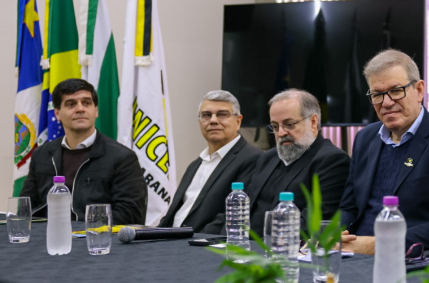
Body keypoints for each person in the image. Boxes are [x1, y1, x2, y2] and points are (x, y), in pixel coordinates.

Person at [340, 49, 429, 253]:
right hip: (353, 254)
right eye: (377, 94)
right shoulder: (364, 138)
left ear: (419, 90)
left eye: (396, 91)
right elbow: (349, 208)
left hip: (411, 259)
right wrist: (330, 236)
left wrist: (378, 245)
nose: (386, 103)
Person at [209, 89, 350, 236]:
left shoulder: (332, 161)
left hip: (280, 250)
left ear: (313, 122)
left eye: (289, 124)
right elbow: (243, 210)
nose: (281, 133)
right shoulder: (268, 158)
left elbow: (314, 223)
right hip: (242, 246)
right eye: (275, 126)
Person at [21, 78, 146, 224]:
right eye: (71, 104)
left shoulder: (122, 158)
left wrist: (79, 228)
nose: (80, 109)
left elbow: (130, 214)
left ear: (96, 111)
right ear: (57, 114)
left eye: (86, 103)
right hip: (49, 239)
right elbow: (26, 208)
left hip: (98, 242)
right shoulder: (42, 155)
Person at [160, 90, 262, 232]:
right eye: (206, 115)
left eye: (222, 114)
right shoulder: (195, 164)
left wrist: (188, 242)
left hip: (202, 247)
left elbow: (232, 218)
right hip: (169, 242)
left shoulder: (254, 160)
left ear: (238, 121)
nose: (213, 120)